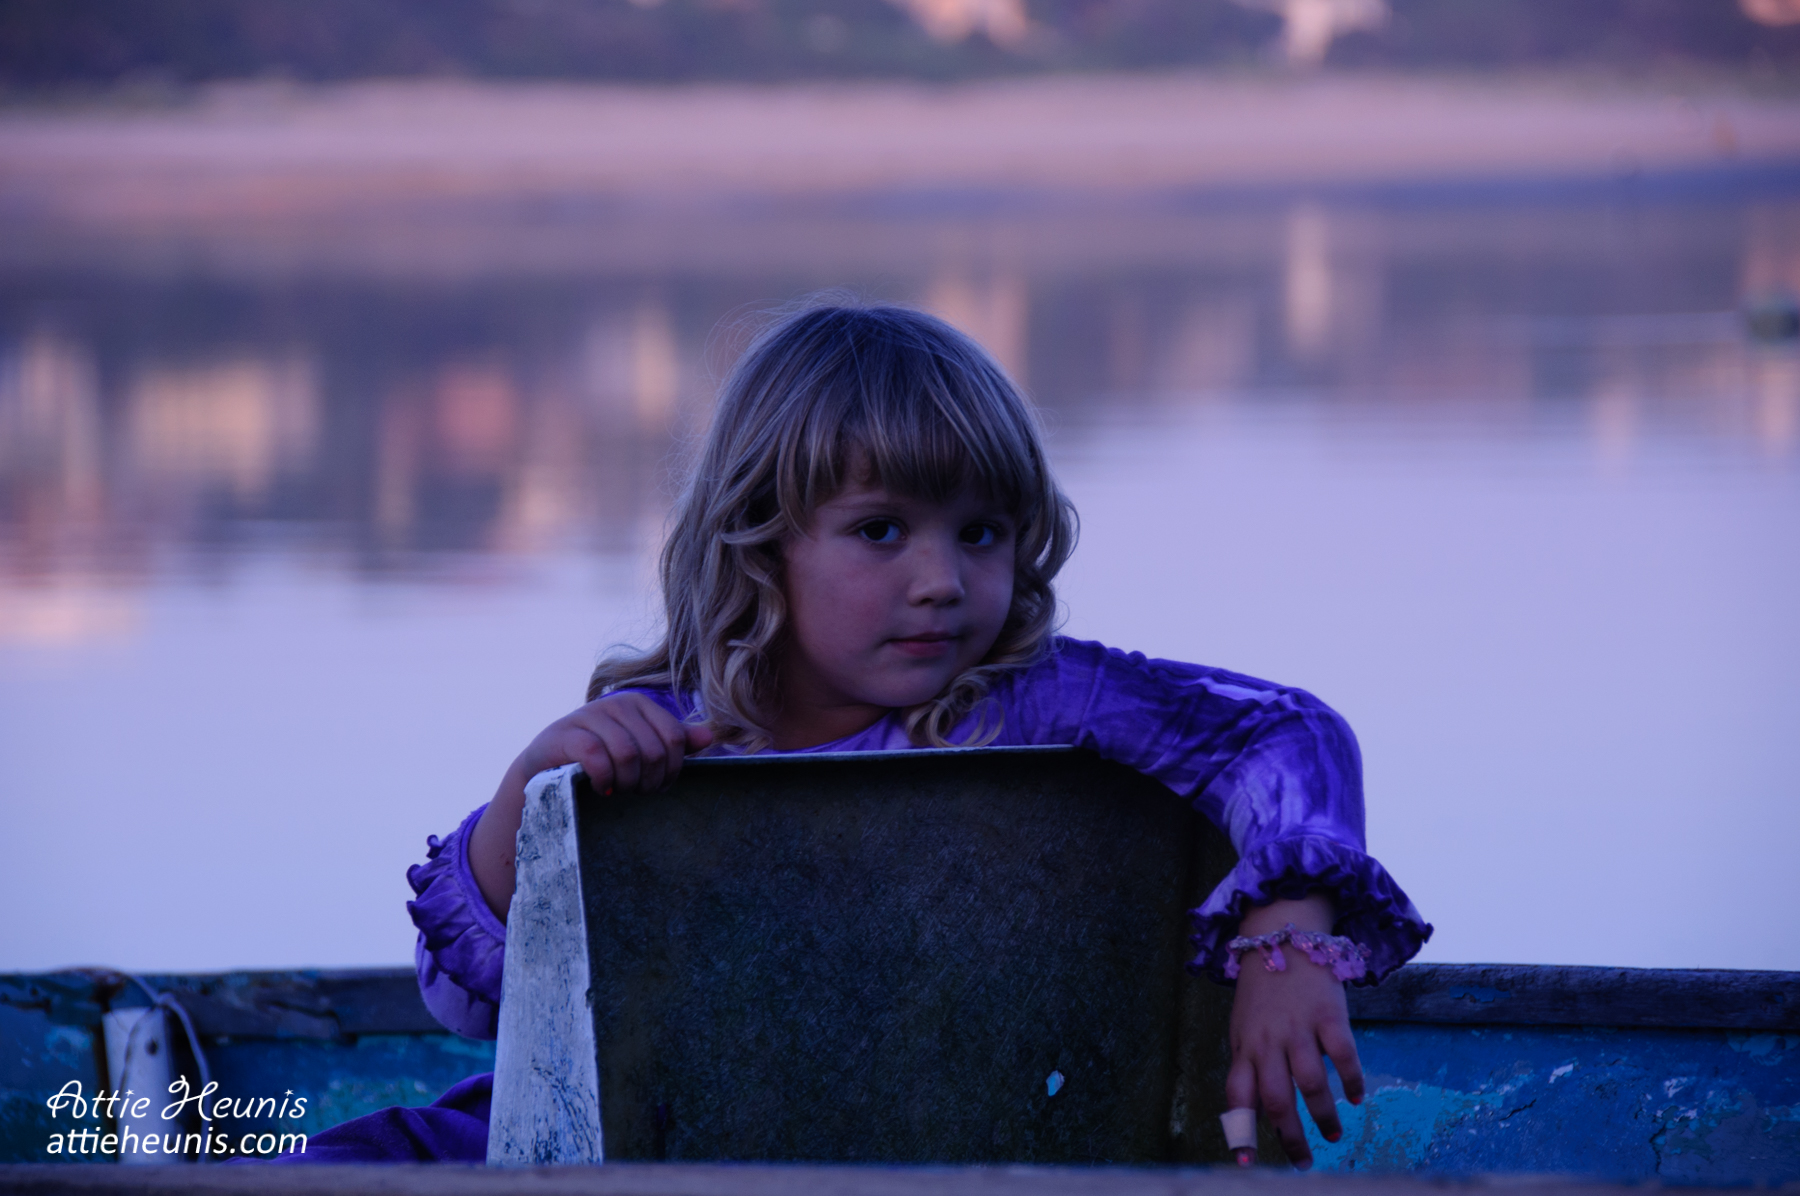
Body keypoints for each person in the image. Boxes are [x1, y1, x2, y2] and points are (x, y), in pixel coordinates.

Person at [310, 302, 1429, 1167]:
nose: (942, 581)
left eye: (981, 533)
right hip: (648, 1141)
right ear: (762, 543)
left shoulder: (1028, 701)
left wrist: (1287, 946)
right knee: (350, 1164)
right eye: (882, 530)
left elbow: (1285, 732)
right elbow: (470, 1005)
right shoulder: (668, 742)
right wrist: (533, 789)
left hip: (950, 1123)